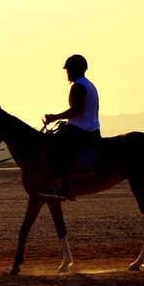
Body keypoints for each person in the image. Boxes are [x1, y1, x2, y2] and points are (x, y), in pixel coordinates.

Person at [41, 54, 101, 200]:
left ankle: (60, 189)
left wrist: (54, 117)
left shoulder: (79, 86)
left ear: (77, 70)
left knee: (51, 150)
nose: (67, 73)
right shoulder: (89, 84)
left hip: (81, 132)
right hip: (88, 130)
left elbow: (76, 110)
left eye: (69, 70)